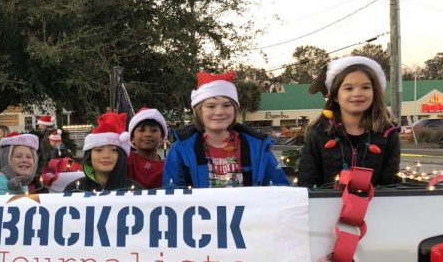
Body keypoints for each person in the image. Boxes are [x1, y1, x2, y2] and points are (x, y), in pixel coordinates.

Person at [163, 71, 289, 188]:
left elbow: (281, 191)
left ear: (235, 109)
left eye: (227, 105)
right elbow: (171, 194)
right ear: (199, 111)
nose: (219, 112)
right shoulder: (181, 148)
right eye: (211, 106)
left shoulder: (258, 146)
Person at [297, 56, 400, 187]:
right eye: (348, 88)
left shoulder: (388, 134)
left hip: (375, 206)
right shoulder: (318, 133)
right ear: (335, 96)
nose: (357, 93)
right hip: (326, 206)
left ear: (375, 93)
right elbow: (307, 182)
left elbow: (390, 184)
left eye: (366, 87)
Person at [64, 112, 143, 191]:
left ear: (122, 155)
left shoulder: (136, 191)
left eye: (114, 150)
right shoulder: (74, 190)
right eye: (99, 150)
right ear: (89, 155)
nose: (106, 155)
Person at [126, 107, 167, 188]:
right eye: (141, 130)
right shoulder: (126, 161)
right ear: (132, 138)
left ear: (162, 137)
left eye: (154, 130)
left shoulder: (168, 166)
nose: (147, 134)